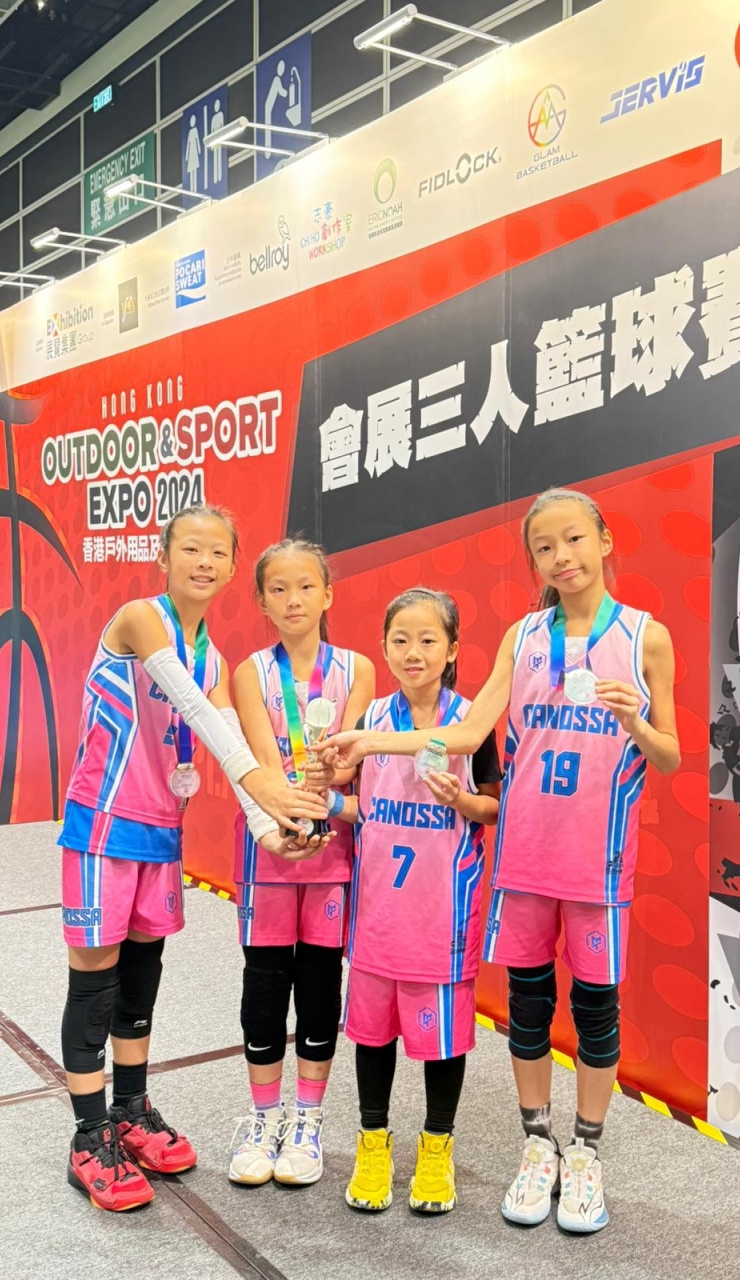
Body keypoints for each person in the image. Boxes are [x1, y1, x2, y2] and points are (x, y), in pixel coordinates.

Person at [325, 490, 680, 1233]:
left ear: (605, 539)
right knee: (528, 1006)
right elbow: (466, 733)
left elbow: (671, 756)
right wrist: (369, 742)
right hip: (525, 857)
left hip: (598, 864)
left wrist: (636, 721)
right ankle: (537, 1144)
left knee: (596, 1009)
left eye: (573, 539)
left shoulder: (646, 638)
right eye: (544, 547)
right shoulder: (524, 637)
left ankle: (586, 1151)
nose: (561, 557)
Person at [59, 506, 328, 1212]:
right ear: (164, 557)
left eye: (217, 553)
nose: (204, 562)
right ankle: (88, 1136)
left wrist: (270, 828)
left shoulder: (214, 659)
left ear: (234, 567)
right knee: (95, 986)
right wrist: (266, 784)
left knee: (141, 978)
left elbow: (220, 734)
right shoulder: (140, 620)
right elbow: (202, 716)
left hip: (160, 835)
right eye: (190, 549)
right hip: (102, 827)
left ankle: (130, 1109)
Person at [335, 588, 500, 1215]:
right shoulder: (370, 719)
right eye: (400, 640)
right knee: (372, 1037)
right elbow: (360, 805)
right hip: (378, 914)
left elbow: (494, 806)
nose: (414, 652)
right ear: (383, 647)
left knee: (443, 1043)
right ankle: (373, 1143)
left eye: (428, 640)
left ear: (452, 649)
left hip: (441, 916)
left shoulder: (472, 722)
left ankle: (436, 1147)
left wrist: (462, 802)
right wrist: (323, 799)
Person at [228, 539, 374, 1190]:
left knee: (318, 982)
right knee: (264, 983)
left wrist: (325, 790)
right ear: (262, 601)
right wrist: (283, 823)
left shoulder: (358, 669)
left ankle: (308, 1122)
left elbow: (349, 760)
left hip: (332, 848)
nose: (293, 600)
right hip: (269, 845)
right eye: (279, 589)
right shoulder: (250, 672)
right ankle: (263, 1120)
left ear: (327, 594)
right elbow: (262, 762)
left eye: (306, 587)